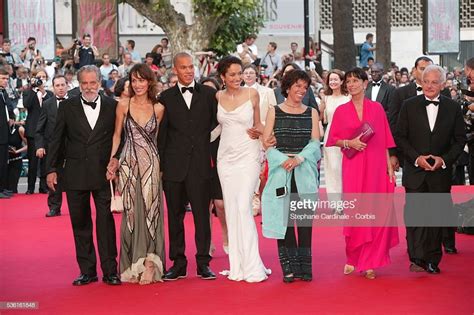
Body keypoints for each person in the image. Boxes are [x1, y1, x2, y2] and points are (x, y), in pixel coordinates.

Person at [46, 65, 121, 286]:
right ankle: (87, 271)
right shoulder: (67, 107)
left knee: (105, 223)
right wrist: (51, 169)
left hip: (103, 174)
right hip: (75, 173)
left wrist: (116, 160)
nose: (88, 87)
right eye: (84, 83)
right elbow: (57, 140)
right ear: (78, 84)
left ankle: (110, 271)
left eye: (93, 82)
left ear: (100, 82)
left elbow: (121, 137)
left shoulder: (112, 106)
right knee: (80, 223)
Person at [326, 67, 399, 280]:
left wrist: (389, 168)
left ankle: (370, 262)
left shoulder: (377, 109)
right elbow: (333, 140)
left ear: (365, 83)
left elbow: (385, 141)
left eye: (356, 80)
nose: (351, 84)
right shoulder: (341, 110)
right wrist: (350, 142)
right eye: (348, 81)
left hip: (376, 167)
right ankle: (353, 257)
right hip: (353, 167)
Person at [396, 65, 466, 274]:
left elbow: (459, 140)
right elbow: (400, 136)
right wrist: (417, 158)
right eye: (426, 81)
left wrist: (443, 160)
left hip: (440, 173)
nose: (429, 85)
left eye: (435, 82)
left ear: (443, 85)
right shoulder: (408, 105)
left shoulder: (453, 108)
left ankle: (433, 259)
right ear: (421, 82)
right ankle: (417, 258)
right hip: (415, 171)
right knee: (416, 217)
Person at [158, 52, 217, 281]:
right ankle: (178, 263)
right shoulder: (165, 97)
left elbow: (216, 126)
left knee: (202, 217)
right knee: (174, 217)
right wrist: (162, 166)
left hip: (201, 166)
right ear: (175, 70)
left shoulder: (209, 95)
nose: (189, 70)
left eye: (191, 66)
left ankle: (203, 263)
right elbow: (162, 136)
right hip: (173, 167)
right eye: (184, 67)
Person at [261, 69, 321, 282]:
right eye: (297, 86)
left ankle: (305, 268)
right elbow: (266, 144)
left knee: (304, 222)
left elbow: (315, 143)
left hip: (303, 172)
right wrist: (283, 160)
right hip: (281, 172)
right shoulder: (274, 111)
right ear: (287, 87)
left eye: (305, 87)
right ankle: (289, 268)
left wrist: (298, 159)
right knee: (283, 221)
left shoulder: (312, 112)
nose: (301, 91)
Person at [108, 64, 165, 284]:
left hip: (151, 163)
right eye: (134, 80)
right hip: (129, 164)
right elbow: (116, 136)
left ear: (149, 82)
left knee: (152, 212)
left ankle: (150, 263)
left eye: (142, 80)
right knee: (132, 214)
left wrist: (160, 168)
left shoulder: (158, 108)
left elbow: (158, 141)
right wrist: (111, 162)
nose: (138, 84)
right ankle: (134, 263)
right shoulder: (123, 104)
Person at [215, 56, 270, 282]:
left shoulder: (252, 94)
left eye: (240, 73)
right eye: (233, 75)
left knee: (243, 207)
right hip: (225, 158)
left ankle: (252, 264)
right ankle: (237, 265)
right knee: (231, 209)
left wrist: (261, 133)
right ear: (223, 77)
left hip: (248, 155)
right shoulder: (217, 96)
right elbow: (216, 128)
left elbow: (258, 124)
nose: (238, 78)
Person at [200, 76, 228, 255]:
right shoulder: (195, 112)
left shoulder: (222, 113)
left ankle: (226, 235)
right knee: (204, 204)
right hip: (200, 162)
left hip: (221, 161)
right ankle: (207, 241)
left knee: (220, 204)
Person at [35, 75, 69, 217]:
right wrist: (39, 146)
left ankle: (78, 208)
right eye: (57, 85)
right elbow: (39, 129)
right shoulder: (47, 104)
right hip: (52, 148)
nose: (60, 88)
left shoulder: (75, 102)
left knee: (76, 179)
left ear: (67, 86)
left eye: (62, 85)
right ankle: (54, 207)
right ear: (53, 87)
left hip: (72, 147)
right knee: (53, 178)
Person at [320, 69, 350, 208]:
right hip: (330, 136)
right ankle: (335, 203)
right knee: (333, 168)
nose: (333, 82)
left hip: (347, 136)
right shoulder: (326, 98)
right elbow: (323, 119)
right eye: (330, 80)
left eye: (335, 79)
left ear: (342, 81)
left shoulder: (348, 97)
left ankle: (347, 200)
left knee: (345, 169)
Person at [23, 68, 53, 194]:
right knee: (33, 161)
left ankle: (43, 186)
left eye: (43, 76)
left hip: (46, 131)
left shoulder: (49, 94)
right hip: (32, 131)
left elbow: (50, 106)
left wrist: (42, 90)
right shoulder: (28, 92)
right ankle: (30, 187)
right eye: (39, 76)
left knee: (45, 161)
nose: (41, 79)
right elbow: (27, 104)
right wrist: (32, 88)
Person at [0, 69, 15, 199]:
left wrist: (11, 116)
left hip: (4, 134)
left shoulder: (4, 93)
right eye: (3, 78)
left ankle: (2, 188)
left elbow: (9, 107)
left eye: (6, 79)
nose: (5, 81)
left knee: (4, 163)